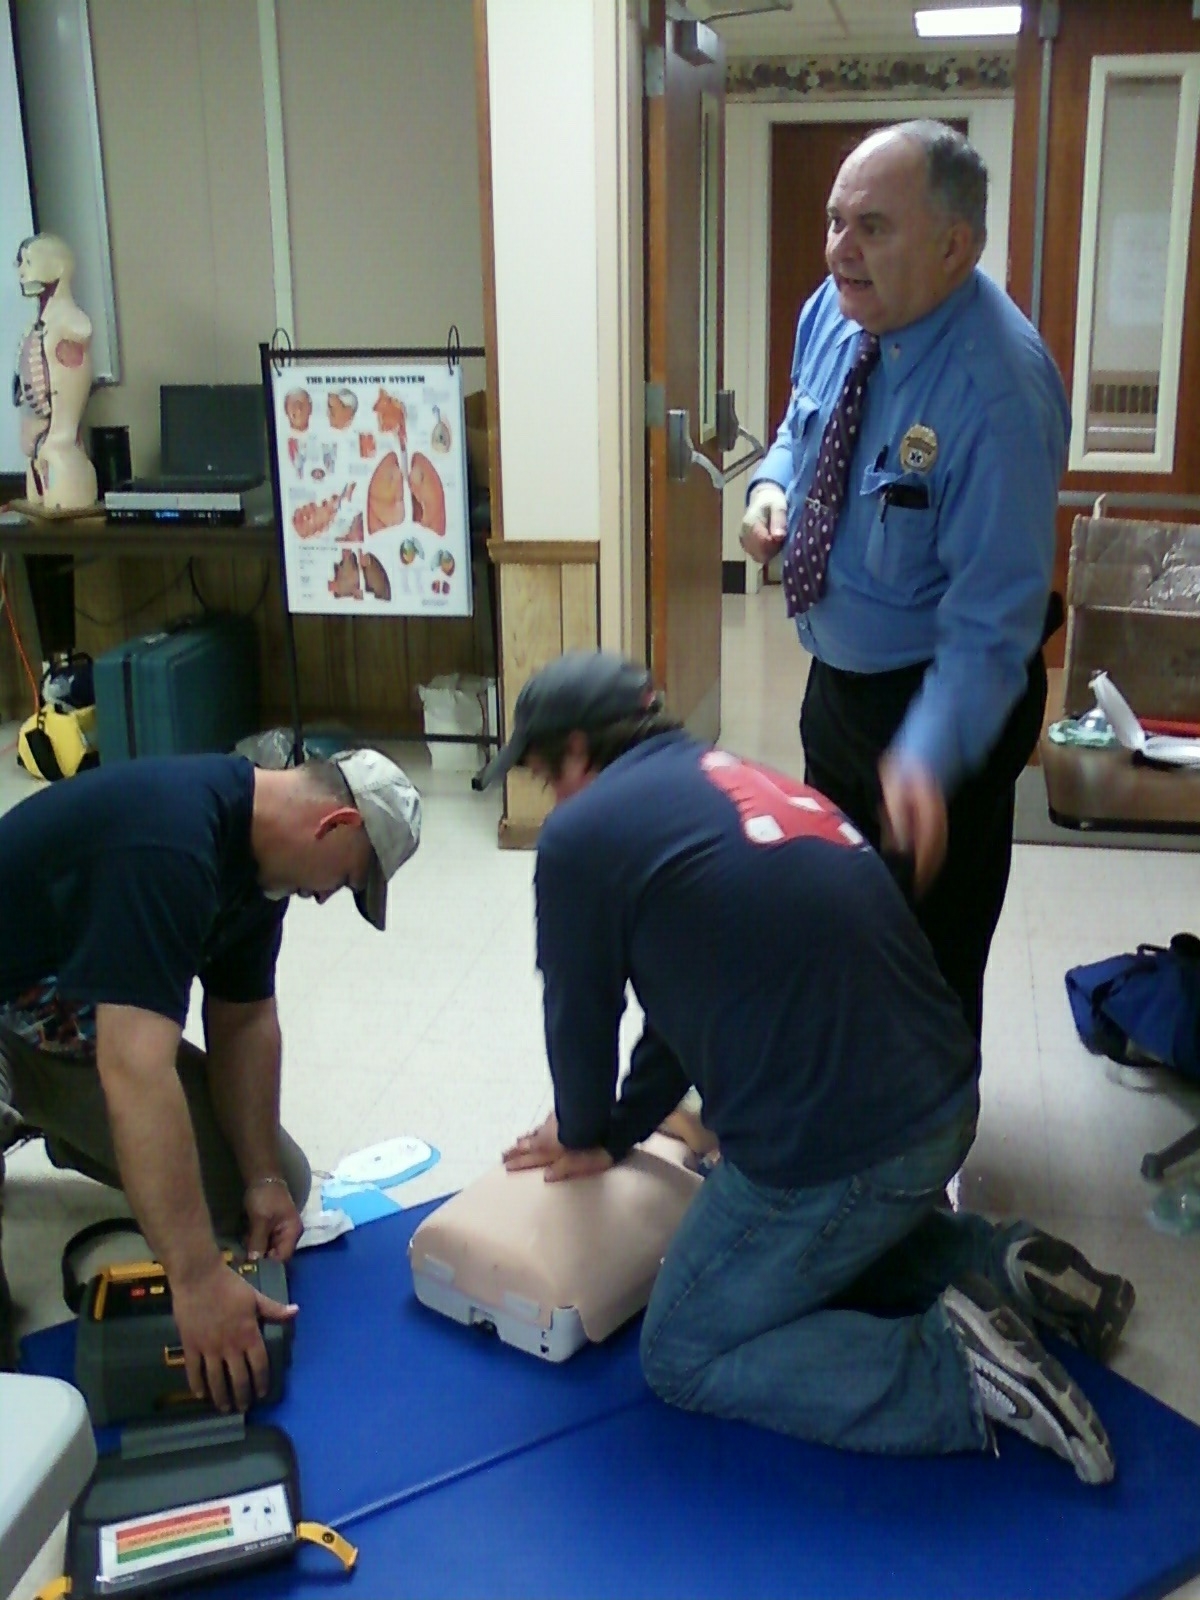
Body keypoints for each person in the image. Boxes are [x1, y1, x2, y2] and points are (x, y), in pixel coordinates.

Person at [483, 651, 1134, 1483]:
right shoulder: (730, 776)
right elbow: (682, 1016)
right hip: (943, 1095)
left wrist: (579, 1131)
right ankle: (1000, 1261)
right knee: (808, 1249)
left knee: (683, 1347)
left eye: (544, 774)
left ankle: (953, 1367)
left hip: (854, 1148)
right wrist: (614, 1133)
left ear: (576, 753)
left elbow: (580, 1016)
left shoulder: (582, 836)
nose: (550, 797)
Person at [740, 120, 1070, 1041]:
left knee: (927, 962)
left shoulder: (999, 392)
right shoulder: (834, 311)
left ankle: (925, 1164)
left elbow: (991, 624)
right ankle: (847, 1128)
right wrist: (771, 486)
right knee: (834, 922)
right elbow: (800, 432)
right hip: (837, 688)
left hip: (946, 714)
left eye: (873, 226)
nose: (841, 248)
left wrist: (926, 754)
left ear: (955, 245)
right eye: (834, 220)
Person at [0, 748, 420, 1407]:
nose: (323, 896)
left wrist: (262, 1178)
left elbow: (245, 1020)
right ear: (335, 823)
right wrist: (194, 1278)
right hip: (21, 1017)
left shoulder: (261, 874)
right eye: (345, 880)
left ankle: (56, 1123)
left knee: (283, 1177)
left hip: (67, 1029)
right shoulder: (171, 837)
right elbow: (136, 1070)